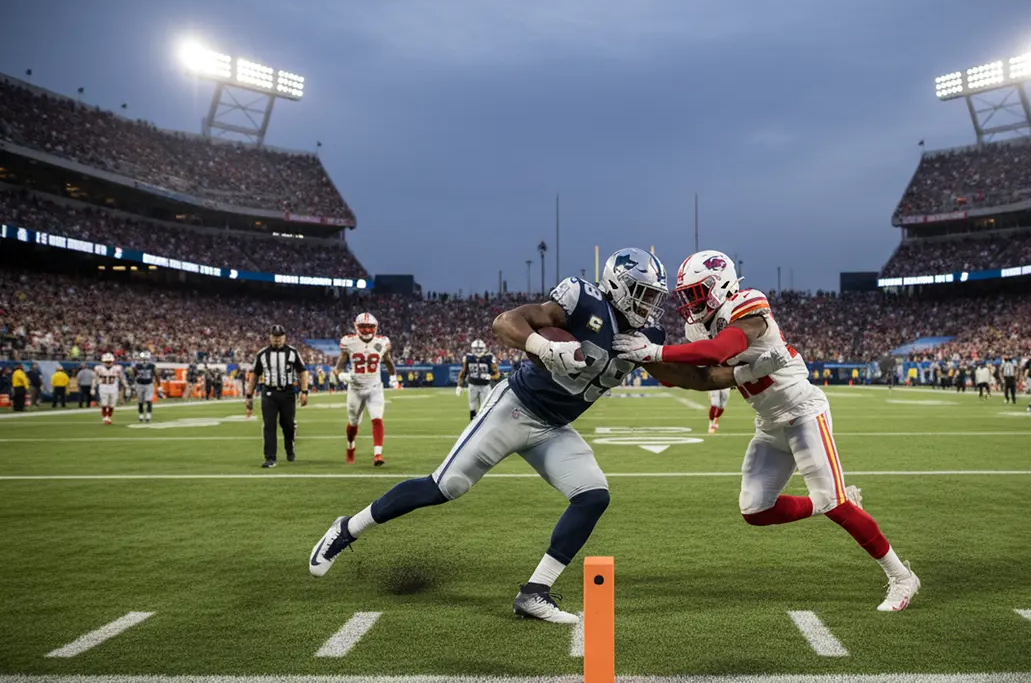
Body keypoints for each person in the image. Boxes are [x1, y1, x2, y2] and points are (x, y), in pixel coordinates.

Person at [308, 248, 787, 624]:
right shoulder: (583, 299)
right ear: (617, 286)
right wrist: (542, 346)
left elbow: (696, 379)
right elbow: (506, 323)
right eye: (641, 293)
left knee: (593, 495)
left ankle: (534, 592)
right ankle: (347, 530)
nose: (648, 305)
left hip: (554, 428)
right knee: (445, 487)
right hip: (515, 409)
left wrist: (748, 371)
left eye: (652, 296)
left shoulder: (640, 338)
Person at [616, 249, 920, 611]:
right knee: (755, 509)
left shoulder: (748, 304)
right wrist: (647, 360)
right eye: (687, 296)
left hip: (804, 413)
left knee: (835, 505)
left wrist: (658, 352)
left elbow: (720, 350)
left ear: (720, 285)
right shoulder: (696, 326)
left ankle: (902, 577)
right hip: (769, 423)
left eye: (697, 293)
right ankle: (829, 502)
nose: (690, 304)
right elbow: (708, 377)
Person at [335, 312, 396, 466]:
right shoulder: (349, 342)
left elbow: (388, 360)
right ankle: (350, 446)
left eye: (370, 327)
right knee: (353, 423)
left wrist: (393, 376)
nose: (367, 330)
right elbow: (339, 367)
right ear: (357, 327)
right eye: (363, 326)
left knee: (377, 419)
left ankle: (378, 455)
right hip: (355, 388)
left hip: (375, 388)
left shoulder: (382, 342)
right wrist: (342, 375)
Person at [246, 325, 309, 468]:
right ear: (270, 337)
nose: (277, 339)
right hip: (269, 393)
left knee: (288, 424)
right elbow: (254, 375)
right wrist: (249, 395)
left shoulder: (293, 352)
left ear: (284, 337)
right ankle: (270, 458)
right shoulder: (262, 354)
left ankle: (289, 447)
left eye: (280, 336)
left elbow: (302, 372)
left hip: (287, 393)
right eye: (274, 336)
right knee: (269, 425)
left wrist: (304, 391)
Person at [456, 338, 499, 421]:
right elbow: (463, 373)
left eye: (480, 349)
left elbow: (497, 374)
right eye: (476, 349)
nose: (478, 351)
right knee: (472, 407)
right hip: (472, 385)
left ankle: (483, 426)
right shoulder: (468, 358)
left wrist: (490, 377)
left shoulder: (489, 358)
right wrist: (459, 385)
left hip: (485, 386)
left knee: (484, 408)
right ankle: (472, 426)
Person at [93, 352, 123, 424]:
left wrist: (126, 386)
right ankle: (106, 417)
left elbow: (122, 378)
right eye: (106, 362)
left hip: (113, 387)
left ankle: (108, 417)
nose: (108, 363)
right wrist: (92, 387)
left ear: (113, 361)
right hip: (103, 387)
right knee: (104, 403)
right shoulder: (98, 368)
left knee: (112, 404)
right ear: (103, 362)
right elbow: (95, 378)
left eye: (109, 362)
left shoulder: (117, 368)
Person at [132, 351, 160, 422]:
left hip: (149, 384)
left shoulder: (152, 366)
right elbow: (134, 375)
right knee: (140, 401)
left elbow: (156, 375)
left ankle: (148, 415)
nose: (144, 360)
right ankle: (141, 415)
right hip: (140, 384)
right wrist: (133, 383)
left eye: (146, 358)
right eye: (143, 359)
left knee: (148, 400)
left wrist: (159, 385)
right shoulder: (137, 366)